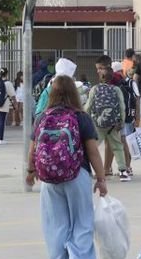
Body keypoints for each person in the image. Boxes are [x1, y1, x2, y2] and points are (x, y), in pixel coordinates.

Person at [27, 75, 109, 259]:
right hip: (77, 175)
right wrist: (101, 179)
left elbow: (32, 149)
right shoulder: (81, 117)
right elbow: (93, 152)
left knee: (56, 226)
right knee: (82, 224)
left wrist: (30, 171)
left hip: (49, 178)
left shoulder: (41, 117)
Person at [87, 56, 129, 181]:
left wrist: (85, 118)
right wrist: (121, 121)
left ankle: (89, 170)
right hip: (113, 125)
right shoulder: (116, 89)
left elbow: (88, 106)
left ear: (100, 77)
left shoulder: (95, 89)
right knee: (117, 147)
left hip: (98, 124)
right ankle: (123, 171)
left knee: (92, 147)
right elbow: (122, 106)